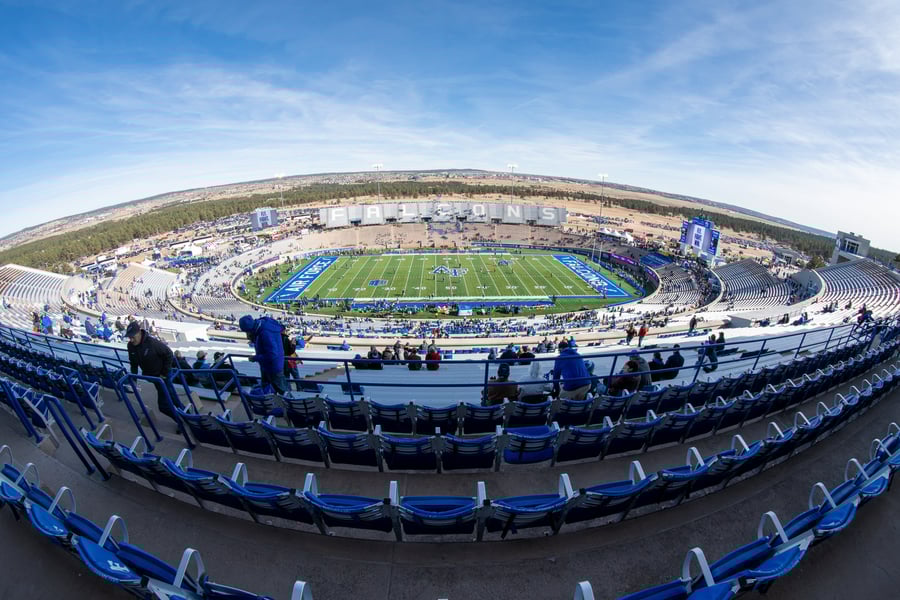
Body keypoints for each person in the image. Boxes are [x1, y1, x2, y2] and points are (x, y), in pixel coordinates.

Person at [126, 321, 180, 420]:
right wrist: (134, 379)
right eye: (129, 337)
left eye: (133, 336)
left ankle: (181, 420)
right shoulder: (130, 346)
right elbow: (133, 363)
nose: (131, 339)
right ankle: (186, 416)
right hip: (153, 377)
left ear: (139, 333)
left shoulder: (152, 343)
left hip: (163, 376)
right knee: (172, 397)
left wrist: (164, 373)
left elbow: (169, 354)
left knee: (164, 405)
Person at [239, 314, 287, 394]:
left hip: (273, 367)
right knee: (266, 391)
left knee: (282, 392)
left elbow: (272, 354)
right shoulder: (262, 324)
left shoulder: (265, 332)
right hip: (267, 366)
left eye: (247, 331)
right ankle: (269, 404)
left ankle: (287, 405)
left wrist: (255, 358)